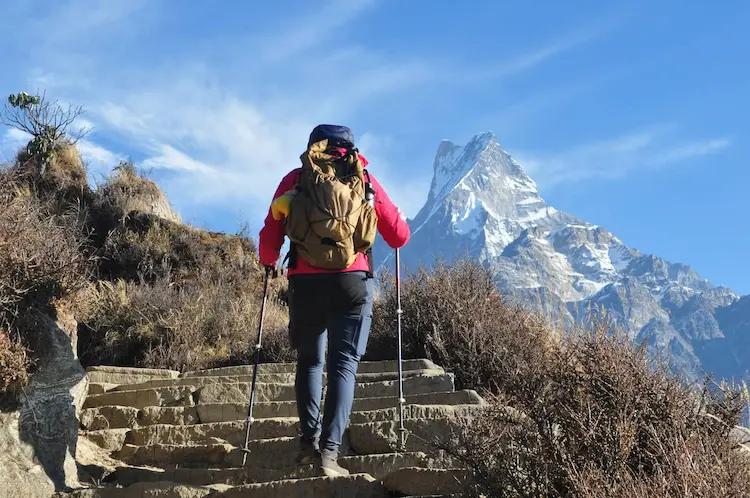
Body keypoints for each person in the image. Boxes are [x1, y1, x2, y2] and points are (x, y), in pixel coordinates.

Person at [258, 124, 410, 476]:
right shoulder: (365, 180)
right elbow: (399, 235)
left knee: (310, 362)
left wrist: (269, 261)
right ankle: (329, 453)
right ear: (351, 149)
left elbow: (270, 236)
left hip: (305, 283)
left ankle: (307, 444)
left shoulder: (296, 180)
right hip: (352, 281)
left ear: (313, 147)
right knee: (343, 365)